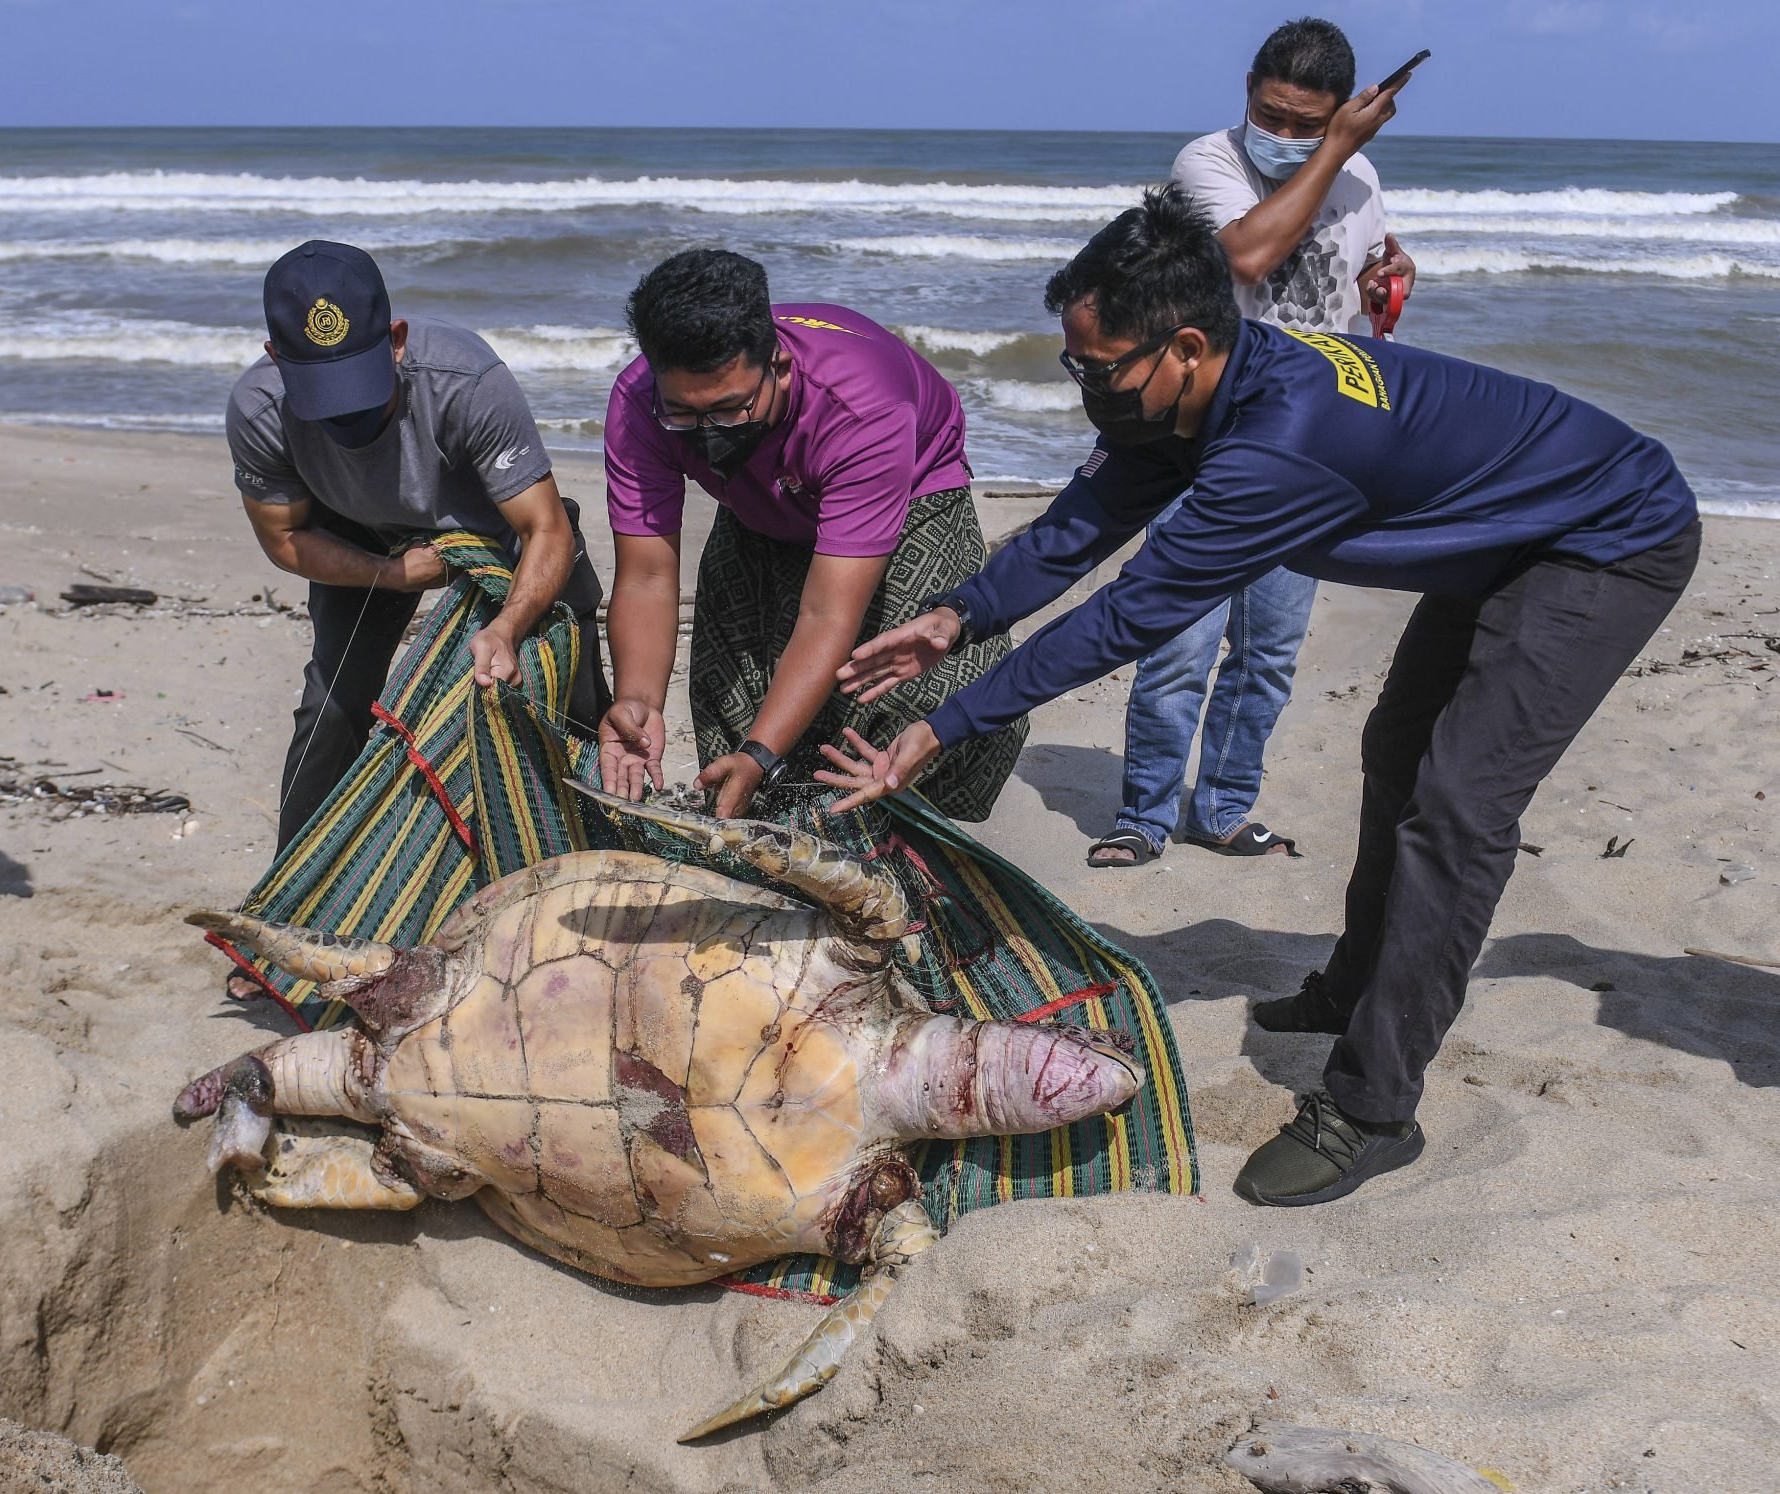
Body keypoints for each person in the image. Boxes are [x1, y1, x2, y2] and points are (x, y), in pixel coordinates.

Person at [823, 188, 1697, 1209]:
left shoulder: (1280, 445)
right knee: (1394, 754)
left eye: (1095, 369)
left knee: (1457, 809)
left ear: (1186, 346)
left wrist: (944, 720)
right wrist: (956, 619)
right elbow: (1076, 529)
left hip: (1602, 540)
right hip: (1505, 532)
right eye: (1072, 362)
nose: (1081, 387)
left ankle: (1373, 1110)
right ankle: (1352, 985)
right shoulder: (1192, 392)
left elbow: (1125, 616)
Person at [1088, 16, 1418, 870]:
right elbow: (1245, 254)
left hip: (1312, 448)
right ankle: (1144, 815)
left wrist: (1391, 275)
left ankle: (1226, 807)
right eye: (1271, 114)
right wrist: (1331, 151)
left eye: (1308, 123)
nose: (1283, 135)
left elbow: (1359, 280)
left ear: (1345, 110)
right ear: (1248, 93)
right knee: (1179, 640)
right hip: (1213, 438)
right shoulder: (1206, 164)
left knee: (1267, 653)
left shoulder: (1362, 176)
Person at [597, 249, 1023, 821]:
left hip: (912, 490)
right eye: (683, 416)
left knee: (905, 693)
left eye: (727, 411)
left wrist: (760, 754)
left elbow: (828, 616)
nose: (706, 434)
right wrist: (638, 701)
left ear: (780, 366)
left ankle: (898, 851)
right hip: (758, 495)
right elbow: (647, 575)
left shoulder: (862, 408)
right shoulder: (638, 403)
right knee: (734, 690)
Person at [228, 241, 606, 854]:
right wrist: (390, 574)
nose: (348, 415)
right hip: (358, 535)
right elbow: (285, 537)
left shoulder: (466, 382)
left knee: (570, 699)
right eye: (326, 399)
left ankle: (591, 851)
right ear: (275, 358)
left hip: (494, 529)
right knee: (332, 708)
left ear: (396, 340)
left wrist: (508, 626)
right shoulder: (260, 409)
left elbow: (545, 529)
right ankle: (292, 891)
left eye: (361, 386)